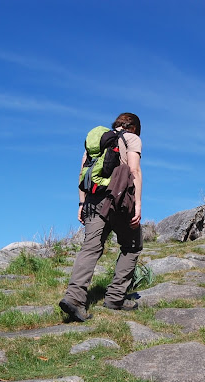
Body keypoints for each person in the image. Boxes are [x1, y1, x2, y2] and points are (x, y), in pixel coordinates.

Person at [59, 113, 143, 322]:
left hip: (93, 200)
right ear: (134, 127)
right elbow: (134, 170)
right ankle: (115, 297)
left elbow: (83, 172)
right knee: (132, 245)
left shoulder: (96, 141)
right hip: (118, 200)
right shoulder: (132, 139)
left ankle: (74, 298)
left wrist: (81, 203)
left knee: (90, 248)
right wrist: (137, 204)